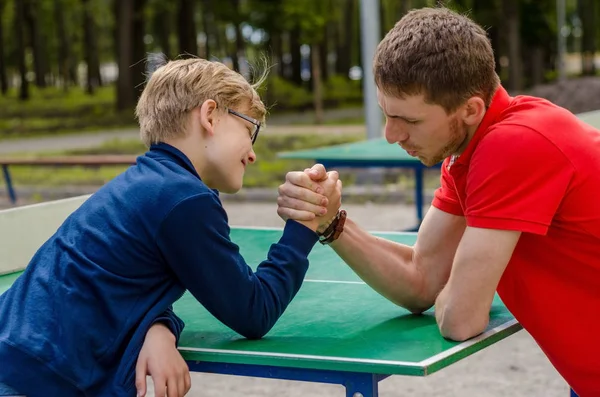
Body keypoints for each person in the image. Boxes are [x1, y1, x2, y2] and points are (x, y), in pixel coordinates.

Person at [276, 7, 600, 397]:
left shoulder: (513, 144)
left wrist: (459, 289)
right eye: (386, 113)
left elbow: (460, 319)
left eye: (409, 121)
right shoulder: (471, 151)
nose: (391, 134)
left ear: (470, 110)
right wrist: (330, 222)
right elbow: (421, 279)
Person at [0, 57, 341, 397]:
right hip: (33, 382)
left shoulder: (147, 184)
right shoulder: (185, 199)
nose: (252, 154)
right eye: (249, 129)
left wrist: (159, 325)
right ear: (210, 115)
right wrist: (304, 225)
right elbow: (254, 311)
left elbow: (124, 285)